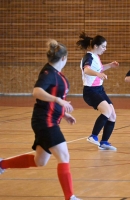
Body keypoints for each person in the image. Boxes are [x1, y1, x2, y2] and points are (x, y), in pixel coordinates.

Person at [0, 39, 81, 200]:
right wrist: (58, 101)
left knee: (40, 161)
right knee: (64, 156)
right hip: (45, 121)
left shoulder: (57, 75)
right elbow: (37, 92)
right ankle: (69, 196)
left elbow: (53, 98)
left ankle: (2, 164)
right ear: (64, 58)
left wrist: (64, 114)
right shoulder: (48, 73)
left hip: (50, 119)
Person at [76, 32, 119, 151]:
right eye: (103, 46)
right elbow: (87, 70)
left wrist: (110, 65)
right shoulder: (88, 57)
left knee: (112, 115)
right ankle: (93, 136)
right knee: (107, 110)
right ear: (96, 46)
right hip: (90, 91)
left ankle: (104, 142)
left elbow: (98, 69)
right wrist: (98, 74)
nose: (105, 49)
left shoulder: (96, 57)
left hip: (100, 90)